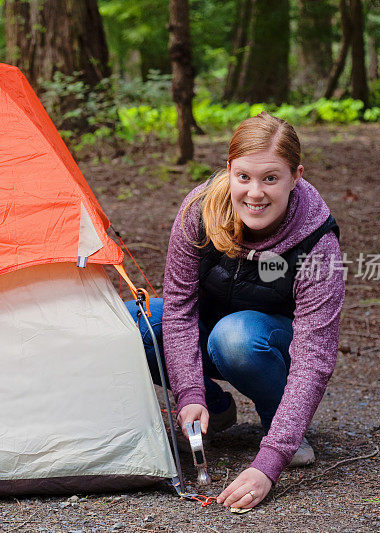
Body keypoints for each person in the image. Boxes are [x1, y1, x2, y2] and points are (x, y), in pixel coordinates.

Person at [126, 112, 344, 510]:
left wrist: (269, 464)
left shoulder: (317, 241)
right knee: (130, 323)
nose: (255, 192)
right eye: (244, 177)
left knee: (235, 336)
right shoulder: (199, 211)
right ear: (229, 169)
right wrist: (190, 390)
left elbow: (315, 357)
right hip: (206, 327)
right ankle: (214, 407)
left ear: (296, 176)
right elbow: (179, 307)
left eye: (271, 178)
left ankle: (279, 428)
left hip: (263, 339)